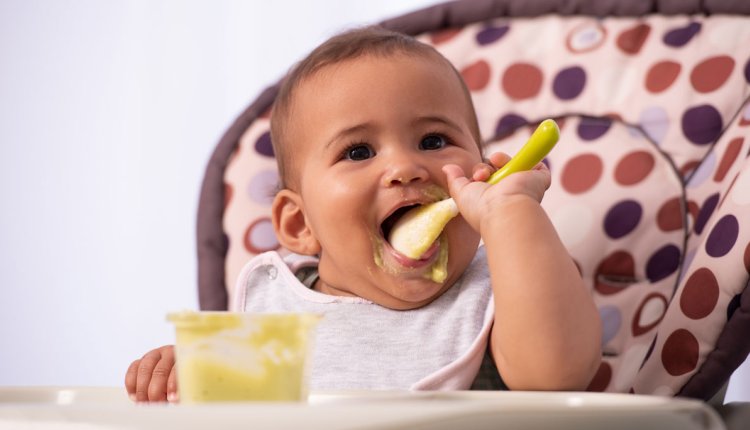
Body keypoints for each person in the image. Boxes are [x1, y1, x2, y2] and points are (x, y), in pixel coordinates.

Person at [125, 26, 602, 402]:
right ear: (299, 224)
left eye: (433, 141)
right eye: (357, 152)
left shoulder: (510, 282)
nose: (404, 168)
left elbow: (554, 375)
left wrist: (512, 214)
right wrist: (191, 377)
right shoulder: (278, 319)